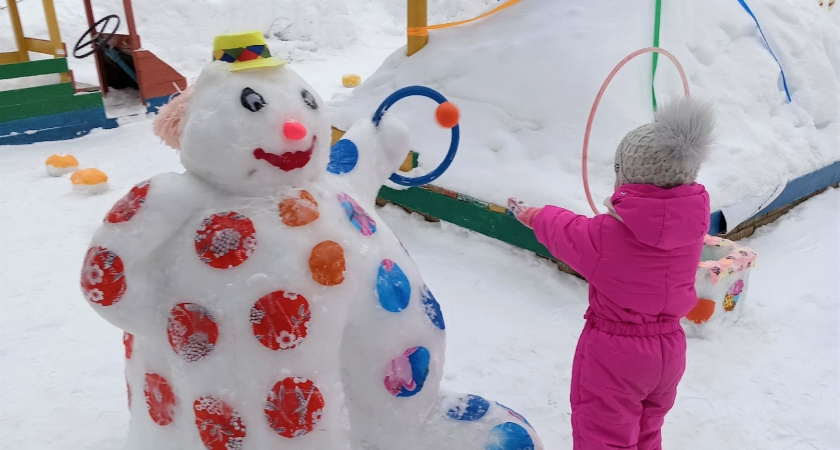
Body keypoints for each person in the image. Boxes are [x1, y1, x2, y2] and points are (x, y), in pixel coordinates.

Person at [508, 96, 714, 449]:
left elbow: (565, 230)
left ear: (627, 177)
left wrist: (534, 215)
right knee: (648, 430)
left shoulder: (606, 235)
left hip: (616, 355)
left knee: (603, 435)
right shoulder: (692, 227)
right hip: (669, 350)